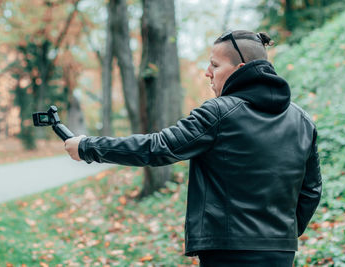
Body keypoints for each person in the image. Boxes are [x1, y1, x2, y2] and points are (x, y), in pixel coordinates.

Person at [65, 30, 322, 266]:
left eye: (215, 64)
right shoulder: (302, 120)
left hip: (228, 252)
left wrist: (88, 146)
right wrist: (281, 233)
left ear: (240, 69)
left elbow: (159, 147)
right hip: (280, 252)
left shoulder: (219, 113)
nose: (207, 72)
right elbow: (310, 191)